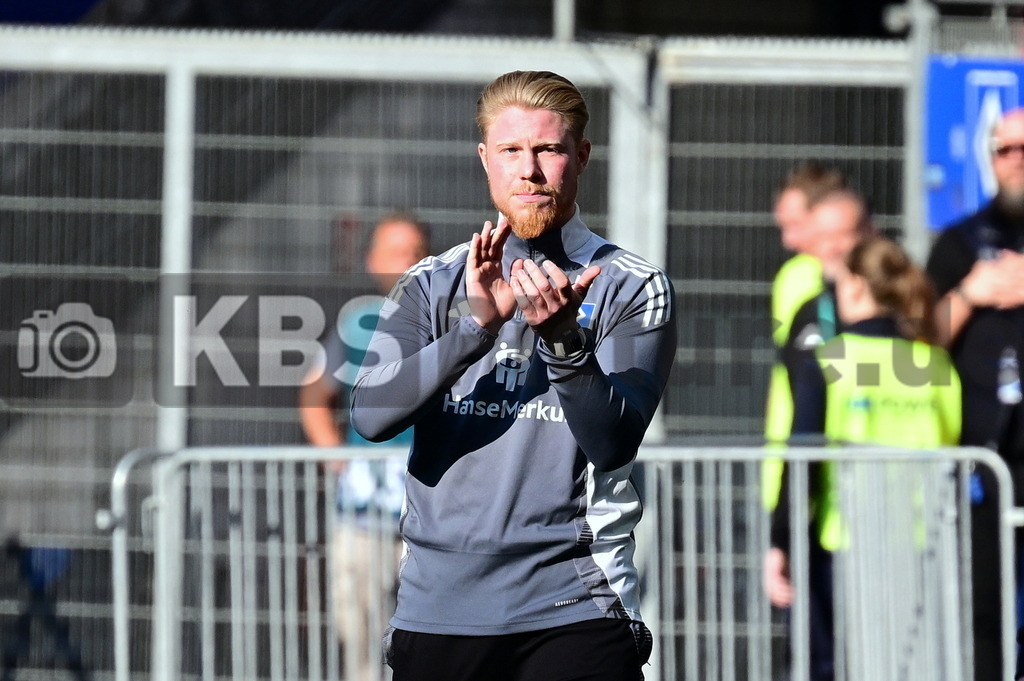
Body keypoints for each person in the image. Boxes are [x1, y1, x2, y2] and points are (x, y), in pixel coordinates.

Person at [349, 70, 676, 681]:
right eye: (510, 150)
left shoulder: (633, 284)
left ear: (580, 156)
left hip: (574, 606)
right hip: (438, 608)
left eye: (548, 149)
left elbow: (612, 442)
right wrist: (474, 331)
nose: (529, 170)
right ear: (485, 160)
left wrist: (562, 342)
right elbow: (369, 415)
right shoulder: (429, 282)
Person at [767, 236, 961, 681]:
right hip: (920, 542)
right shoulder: (936, 365)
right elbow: (952, 443)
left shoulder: (830, 360)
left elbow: (804, 459)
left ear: (853, 288)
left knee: (835, 665)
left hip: (844, 541)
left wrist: (782, 541)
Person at [298, 212, 430, 681]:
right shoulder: (358, 324)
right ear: (373, 260)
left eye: (415, 252)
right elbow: (314, 398)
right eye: (395, 252)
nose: (407, 263)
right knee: (362, 640)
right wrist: (339, 461)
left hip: (435, 516)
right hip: (365, 512)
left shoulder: (456, 322)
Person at [925, 107, 1024, 681]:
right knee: (984, 608)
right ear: (990, 159)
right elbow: (922, 340)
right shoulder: (961, 241)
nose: (1016, 162)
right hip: (985, 456)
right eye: (1005, 150)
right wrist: (972, 292)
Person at [764, 164, 847, 464]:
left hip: (813, 443)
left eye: (796, 225)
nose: (788, 240)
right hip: (800, 438)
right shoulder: (796, 274)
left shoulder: (804, 275)